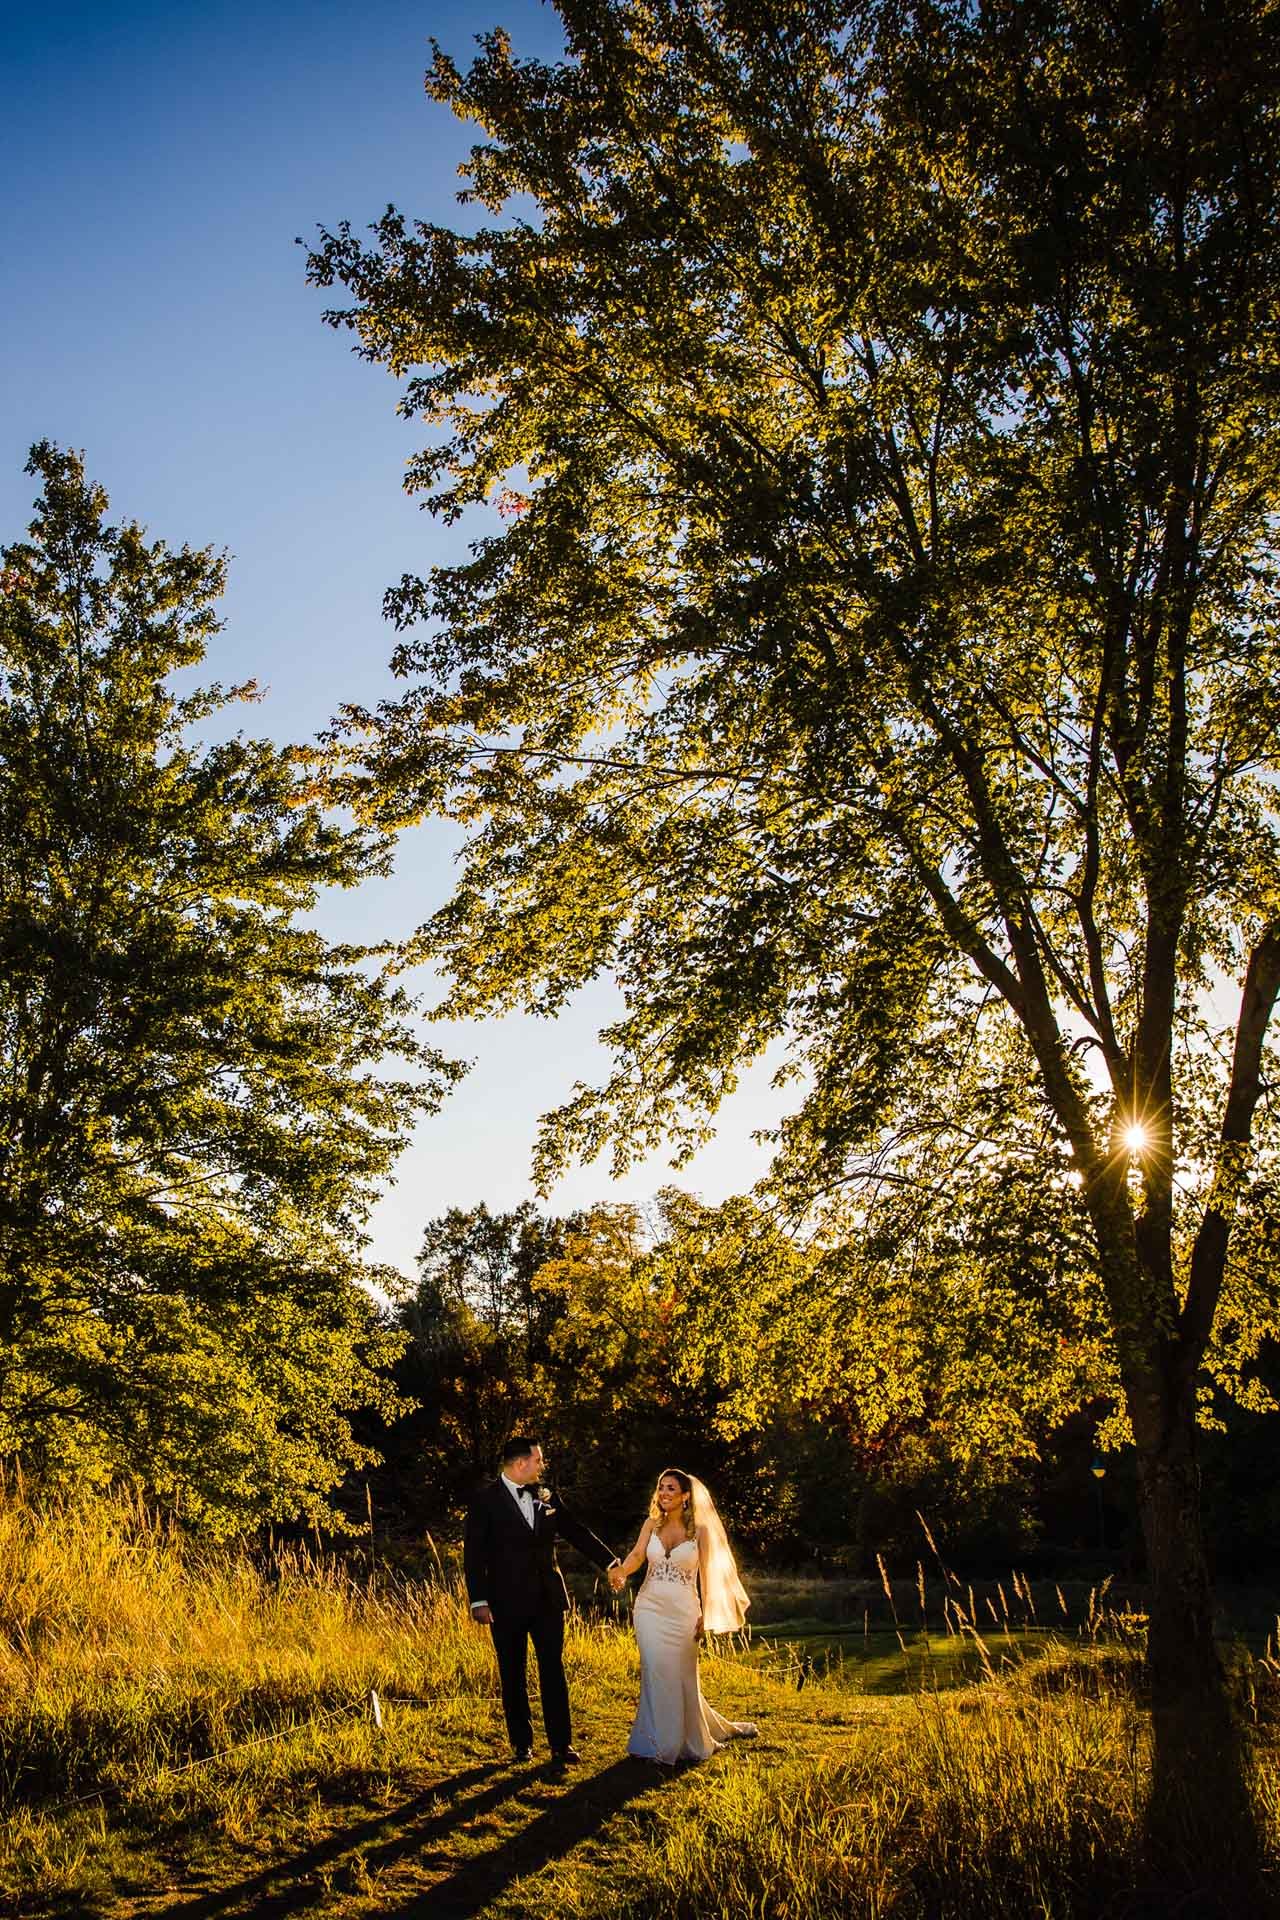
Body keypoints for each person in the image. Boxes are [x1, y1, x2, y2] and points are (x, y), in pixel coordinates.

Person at [464, 1436, 620, 1769]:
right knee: (512, 1673)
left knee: (553, 1670)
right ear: (520, 1463)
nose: (542, 1465)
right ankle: (522, 1745)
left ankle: (561, 1745)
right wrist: (478, 1600)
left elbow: (576, 1532)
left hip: (548, 1599)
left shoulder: (546, 1496)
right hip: (504, 1602)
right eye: (538, 1460)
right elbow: (474, 1555)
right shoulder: (484, 1501)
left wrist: (611, 1563)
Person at [609, 1467, 758, 1764]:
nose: (664, 1493)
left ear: (685, 1496)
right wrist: (621, 1572)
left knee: (682, 1676)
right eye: (661, 1487)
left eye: (671, 1489)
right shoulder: (651, 1525)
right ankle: (660, 1744)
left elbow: (708, 1575)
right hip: (649, 1608)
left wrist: (706, 1613)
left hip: (684, 1613)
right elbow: (638, 1555)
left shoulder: (699, 1532)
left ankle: (692, 1736)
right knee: (656, 1668)